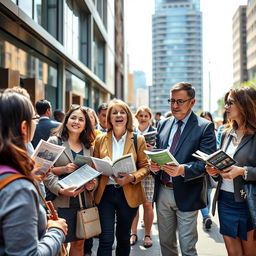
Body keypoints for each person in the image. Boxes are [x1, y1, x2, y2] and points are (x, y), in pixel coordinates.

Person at [150, 82, 216, 256]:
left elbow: (206, 163)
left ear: (192, 102)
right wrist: (154, 166)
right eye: (171, 100)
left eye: (179, 101)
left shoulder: (204, 127)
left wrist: (182, 170)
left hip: (188, 192)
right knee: (166, 244)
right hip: (163, 192)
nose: (174, 106)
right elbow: (158, 151)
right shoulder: (163, 124)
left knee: (187, 247)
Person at [0, 90, 68, 255]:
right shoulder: (18, 188)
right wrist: (56, 231)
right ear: (24, 127)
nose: (36, 122)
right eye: (34, 118)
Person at [93, 99, 149, 256]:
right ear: (109, 118)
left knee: (124, 238)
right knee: (105, 239)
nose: (118, 115)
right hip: (105, 194)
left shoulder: (138, 139)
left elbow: (145, 167)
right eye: (114, 112)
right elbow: (93, 167)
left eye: (122, 112)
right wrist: (101, 167)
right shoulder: (100, 139)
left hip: (128, 192)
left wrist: (131, 177)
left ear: (127, 117)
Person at [206, 87, 256, 256]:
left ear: (244, 105)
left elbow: (241, 169)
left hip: (249, 202)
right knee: (233, 253)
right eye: (226, 103)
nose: (225, 106)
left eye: (230, 102)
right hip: (225, 200)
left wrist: (242, 171)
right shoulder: (227, 133)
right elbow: (223, 164)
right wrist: (213, 170)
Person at [44, 105, 97, 256]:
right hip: (60, 201)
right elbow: (45, 172)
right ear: (66, 121)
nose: (76, 121)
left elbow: (94, 173)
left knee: (79, 243)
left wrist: (92, 184)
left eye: (81, 119)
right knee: (58, 244)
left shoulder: (89, 147)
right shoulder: (54, 141)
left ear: (85, 124)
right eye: (73, 118)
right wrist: (60, 189)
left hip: (82, 202)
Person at [130, 106, 156, 248]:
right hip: (134, 172)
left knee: (147, 204)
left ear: (150, 118)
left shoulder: (155, 133)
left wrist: (153, 149)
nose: (143, 118)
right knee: (134, 204)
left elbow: (161, 151)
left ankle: (147, 234)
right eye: (141, 115)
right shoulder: (131, 133)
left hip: (149, 173)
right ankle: (133, 233)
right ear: (137, 117)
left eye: (146, 116)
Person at [199, 111, 216, 230]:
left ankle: (206, 215)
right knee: (202, 193)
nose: (206, 121)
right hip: (200, 167)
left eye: (208, 119)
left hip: (212, 167)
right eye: (204, 119)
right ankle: (205, 216)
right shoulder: (197, 132)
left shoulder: (215, 133)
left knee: (208, 193)